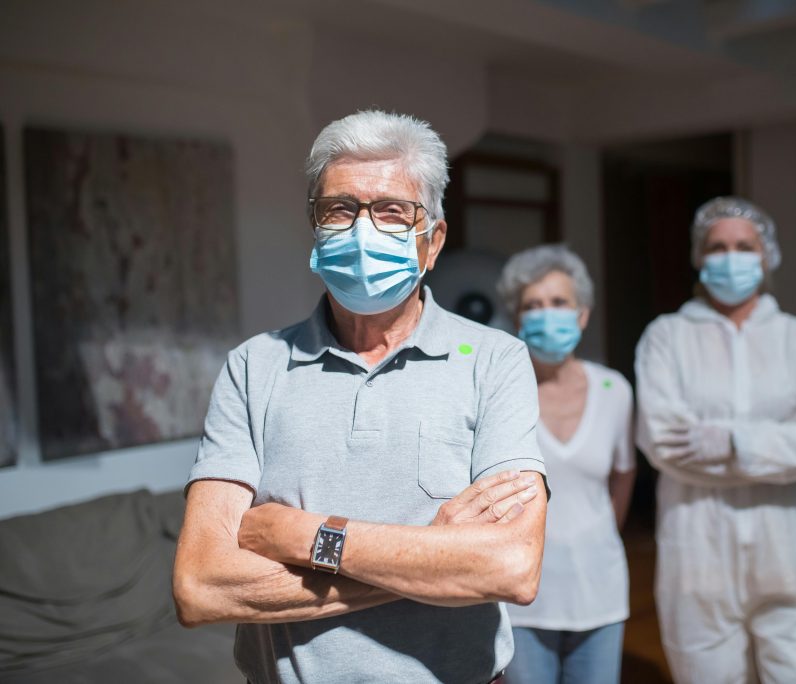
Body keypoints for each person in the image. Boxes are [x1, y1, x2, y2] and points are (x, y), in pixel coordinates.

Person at [172, 110, 548, 684]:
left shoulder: (496, 360)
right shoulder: (253, 367)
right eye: (340, 209)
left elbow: (512, 567)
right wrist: (433, 556)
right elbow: (200, 586)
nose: (362, 229)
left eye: (393, 210)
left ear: (433, 242)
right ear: (315, 228)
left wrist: (304, 536)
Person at [634, 197, 796, 684]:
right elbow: (664, 442)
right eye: (718, 247)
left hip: (793, 559)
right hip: (698, 559)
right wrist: (787, 446)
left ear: (767, 255)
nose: (730, 258)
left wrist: (736, 443)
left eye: (744, 246)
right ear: (699, 257)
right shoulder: (666, 337)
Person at [496, 245, 636, 684]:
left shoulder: (614, 390)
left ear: (583, 314)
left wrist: (600, 535)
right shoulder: (501, 391)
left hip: (601, 590)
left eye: (559, 302)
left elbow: (624, 473)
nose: (547, 314)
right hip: (523, 596)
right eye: (533, 305)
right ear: (517, 318)